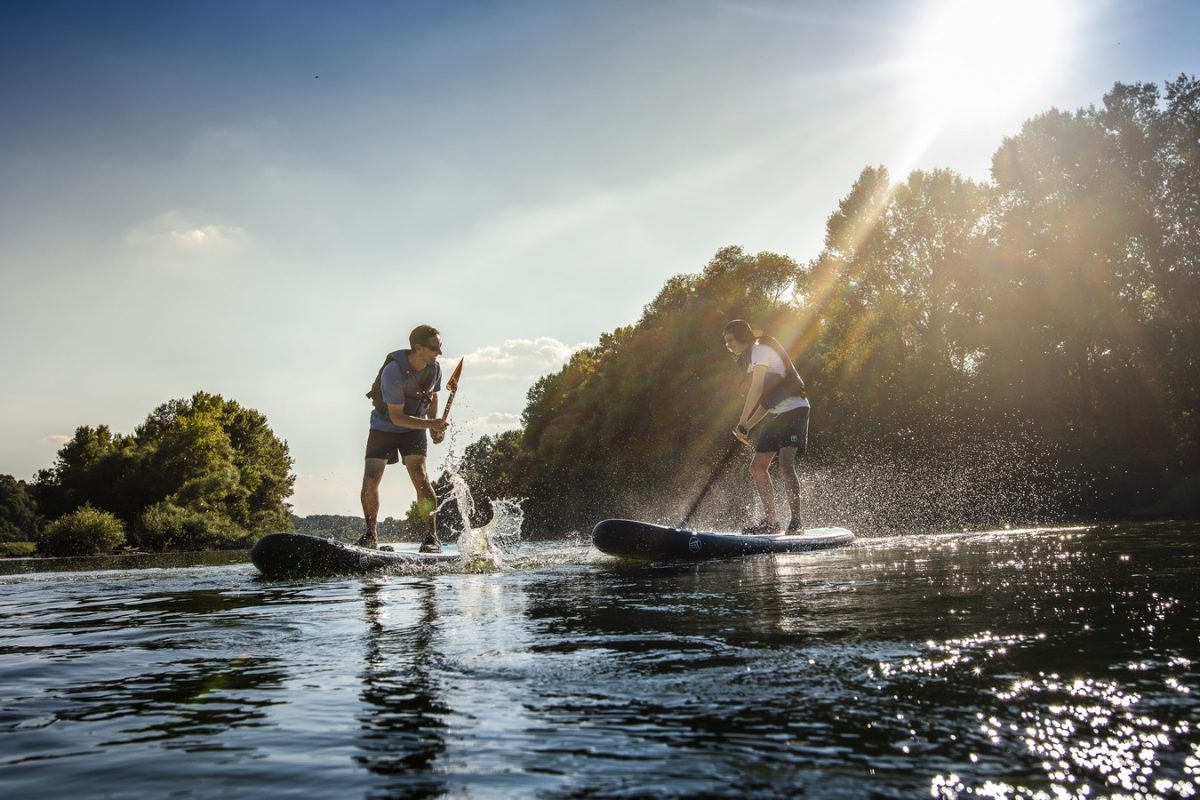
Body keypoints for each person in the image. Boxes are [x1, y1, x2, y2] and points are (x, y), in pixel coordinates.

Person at [359, 324, 450, 552]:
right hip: (384, 426)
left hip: (415, 428)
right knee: (371, 479)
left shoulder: (434, 369)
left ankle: (431, 538)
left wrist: (434, 426)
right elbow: (397, 417)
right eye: (434, 348)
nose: (438, 352)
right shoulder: (393, 371)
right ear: (418, 348)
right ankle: (371, 535)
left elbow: (433, 396)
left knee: (420, 477)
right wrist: (431, 424)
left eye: (440, 347)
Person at [722, 319, 810, 534]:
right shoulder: (752, 358)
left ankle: (796, 522)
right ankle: (771, 522)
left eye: (731, 340)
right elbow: (766, 402)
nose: (728, 345)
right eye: (726, 341)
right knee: (757, 468)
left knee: (785, 465)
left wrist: (742, 422)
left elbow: (757, 388)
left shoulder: (760, 350)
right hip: (775, 414)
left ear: (742, 336)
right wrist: (747, 427)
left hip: (795, 409)